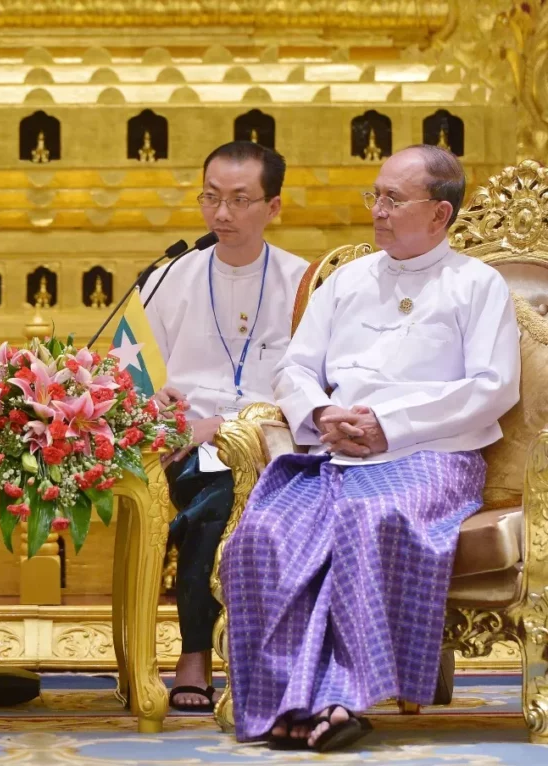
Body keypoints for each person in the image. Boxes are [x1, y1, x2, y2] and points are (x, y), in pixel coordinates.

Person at [219, 145, 520, 751]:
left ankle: (342, 699)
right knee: (264, 530)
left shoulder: (477, 284)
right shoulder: (349, 280)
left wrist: (391, 424)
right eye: (374, 196)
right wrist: (321, 412)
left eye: (393, 199)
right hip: (337, 451)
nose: (377, 210)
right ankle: (283, 699)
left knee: (368, 518)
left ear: (439, 214)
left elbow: (493, 388)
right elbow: (294, 368)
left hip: (433, 455)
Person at [142, 141, 308, 712]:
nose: (221, 214)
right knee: (214, 492)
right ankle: (196, 651)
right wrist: (162, 406)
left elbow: (317, 381)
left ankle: (270, 653)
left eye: (240, 200)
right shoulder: (167, 278)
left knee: (236, 489)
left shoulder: (305, 283)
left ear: (273, 206)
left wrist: (234, 425)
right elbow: (136, 376)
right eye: (211, 198)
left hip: (276, 442)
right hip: (187, 442)